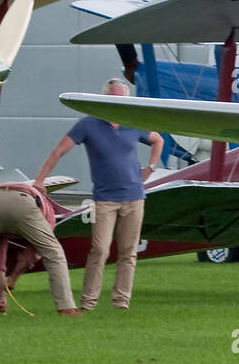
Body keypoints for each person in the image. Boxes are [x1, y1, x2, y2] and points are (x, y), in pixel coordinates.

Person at [35, 78, 164, 311]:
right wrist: (40, 179)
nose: (119, 103)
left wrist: (150, 168)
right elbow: (59, 150)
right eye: (114, 99)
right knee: (100, 250)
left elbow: (158, 140)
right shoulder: (88, 125)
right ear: (104, 99)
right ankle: (88, 303)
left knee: (128, 252)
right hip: (105, 200)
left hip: (135, 197)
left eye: (123, 99)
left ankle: (121, 302)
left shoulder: (133, 123)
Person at [0, 181, 78, 317]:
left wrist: (2, 295)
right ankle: (66, 308)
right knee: (53, 253)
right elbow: (31, 255)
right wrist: (13, 279)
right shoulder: (48, 214)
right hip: (23, 200)